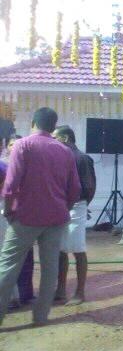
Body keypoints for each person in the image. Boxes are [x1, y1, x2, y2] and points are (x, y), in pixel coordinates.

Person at [0, 108, 81, 326]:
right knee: (50, 267)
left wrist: (9, 210)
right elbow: (75, 190)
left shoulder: (23, 145)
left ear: (33, 122)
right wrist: (64, 208)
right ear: (53, 127)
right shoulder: (65, 151)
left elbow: (10, 185)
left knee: (7, 266)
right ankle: (40, 317)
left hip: (25, 217)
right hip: (56, 218)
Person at [52, 125, 96, 305]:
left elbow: (89, 187)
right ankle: (60, 290)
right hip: (60, 207)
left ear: (64, 138)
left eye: (55, 138)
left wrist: (82, 207)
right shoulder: (59, 157)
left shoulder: (82, 158)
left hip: (76, 207)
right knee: (61, 250)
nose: (52, 141)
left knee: (78, 250)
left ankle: (79, 293)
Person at [2, 135, 34, 307]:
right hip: (7, 214)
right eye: (11, 145)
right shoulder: (3, 164)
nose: (14, 148)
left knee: (26, 257)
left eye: (17, 145)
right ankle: (12, 297)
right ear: (7, 147)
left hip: (21, 215)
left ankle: (25, 294)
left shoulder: (27, 165)